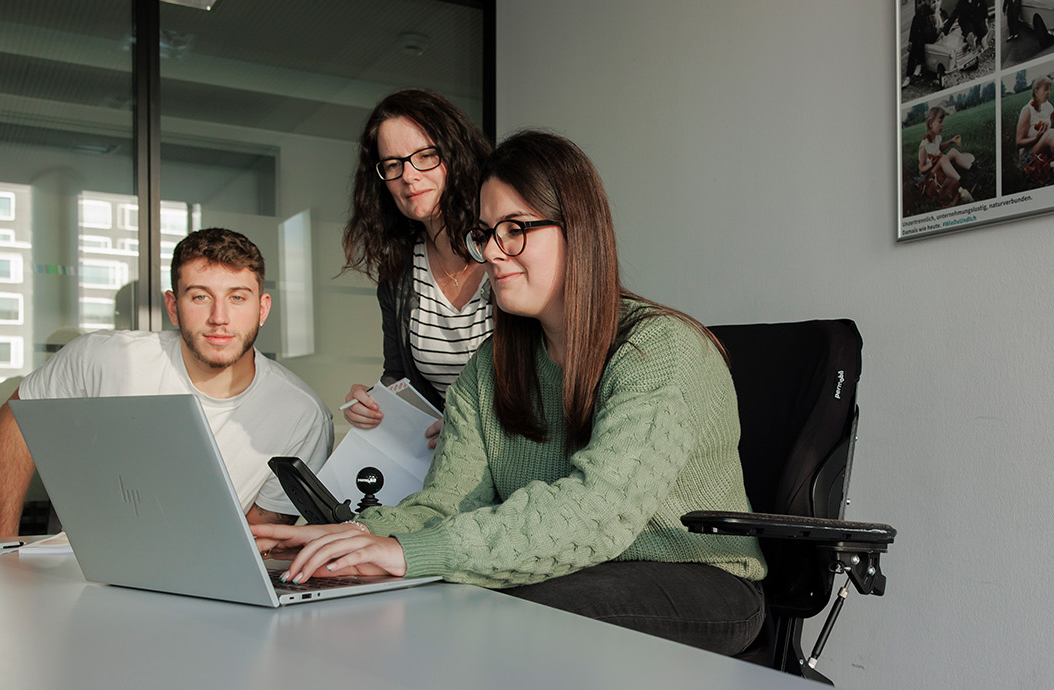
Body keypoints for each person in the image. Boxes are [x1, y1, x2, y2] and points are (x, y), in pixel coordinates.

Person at [253, 131, 768, 655]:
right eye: (485, 233)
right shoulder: (490, 366)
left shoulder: (659, 350)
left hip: (694, 576)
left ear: (579, 231)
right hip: (577, 567)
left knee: (497, 615)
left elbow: (598, 513)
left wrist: (406, 554)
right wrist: (358, 536)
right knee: (415, 599)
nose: (492, 254)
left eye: (515, 230)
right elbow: (446, 504)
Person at [0, 228, 334, 537]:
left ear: (262, 308)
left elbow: (255, 535)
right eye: (200, 296)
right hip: (76, 570)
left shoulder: (301, 414)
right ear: (173, 306)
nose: (219, 318)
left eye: (237, 297)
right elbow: (19, 415)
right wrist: (1, 541)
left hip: (200, 587)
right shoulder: (107, 358)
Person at [339, 89, 493, 444]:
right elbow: (399, 377)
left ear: (457, 157)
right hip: (445, 464)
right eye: (393, 165)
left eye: (425, 156)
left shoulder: (506, 249)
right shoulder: (399, 272)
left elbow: (550, 379)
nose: (408, 176)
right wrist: (373, 402)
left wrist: (472, 427)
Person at [917, 106, 976, 206]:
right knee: (943, 158)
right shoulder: (924, 146)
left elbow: (939, 148)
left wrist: (951, 142)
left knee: (953, 151)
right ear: (931, 123)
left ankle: (974, 169)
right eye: (940, 122)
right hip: (930, 174)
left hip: (938, 165)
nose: (942, 125)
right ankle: (963, 183)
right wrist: (932, 162)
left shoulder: (937, 138)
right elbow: (922, 169)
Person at [903, 1, 939, 89]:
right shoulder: (922, 13)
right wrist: (910, 40)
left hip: (934, 35)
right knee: (917, 41)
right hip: (924, 36)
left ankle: (916, 67)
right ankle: (910, 73)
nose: (934, 4)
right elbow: (914, 27)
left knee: (918, 40)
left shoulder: (935, 12)